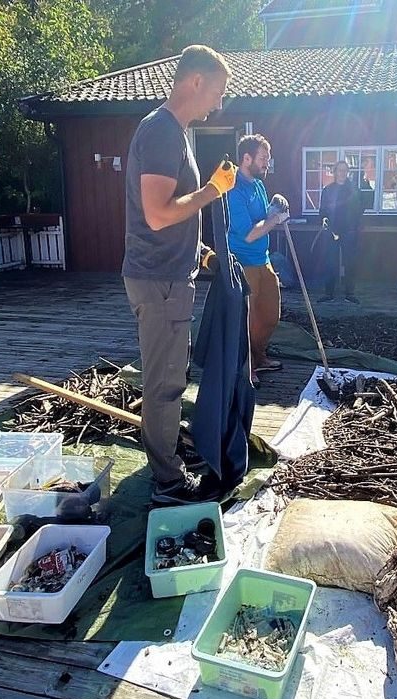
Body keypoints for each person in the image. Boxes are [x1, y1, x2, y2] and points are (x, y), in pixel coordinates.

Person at [123, 45, 236, 505]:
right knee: (165, 384)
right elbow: (156, 214)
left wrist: (201, 251)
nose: (220, 102)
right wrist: (212, 190)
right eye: (218, 90)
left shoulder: (174, 132)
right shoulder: (162, 133)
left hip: (169, 275)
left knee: (169, 376)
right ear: (194, 82)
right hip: (160, 281)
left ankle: (167, 456)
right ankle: (168, 483)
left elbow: (171, 215)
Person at [225, 133, 289, 384]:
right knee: (247, 320)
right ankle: (246, 365)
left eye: (268, 158)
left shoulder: (259, 185)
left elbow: (263, 215)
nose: (267, 163)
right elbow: (251, 233)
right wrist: (275, 219)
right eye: (263, 158)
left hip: (263, 260)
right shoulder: (234, 191)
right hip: (243, 263)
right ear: (247, 158)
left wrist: (276, 202)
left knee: (271, 315)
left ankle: (259, 356)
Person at [318, 160, 364, 303]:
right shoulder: (328, 190)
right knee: (330, 262)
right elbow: (323, 210)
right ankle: (329, 293)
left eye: (345, 170)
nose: (342, 173)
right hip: (332, 231)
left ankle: (350, 293)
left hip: (349, 232)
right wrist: (324, 219)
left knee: (350, 262)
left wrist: (355, 226)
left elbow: (360, 210)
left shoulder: (355, 190)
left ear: (347, 172)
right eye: (339, 170)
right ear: (335, 172)